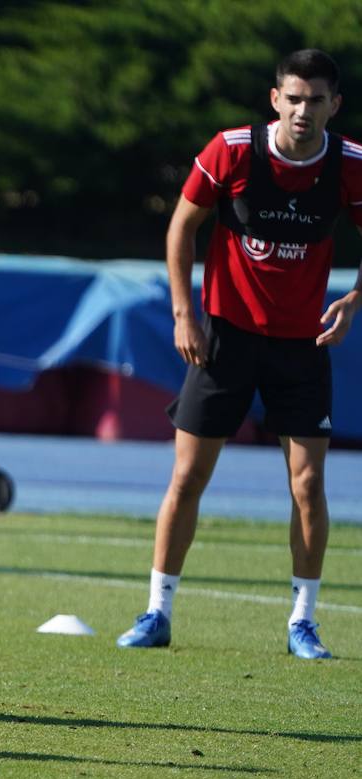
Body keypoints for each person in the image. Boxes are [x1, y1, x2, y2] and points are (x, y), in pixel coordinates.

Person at [117, 49, 362, 659]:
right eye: (294, 98)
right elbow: (181, 228)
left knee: (308, 484)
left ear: (335, 105)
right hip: (225, 339)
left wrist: (356, 299)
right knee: (188, 476)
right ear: (275, 99)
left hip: (301, 347)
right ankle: (157, 611)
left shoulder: (352, 165)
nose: (304, 111)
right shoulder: (231, 150)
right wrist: (184, 314)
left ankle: (303, 622)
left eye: (317, 100)